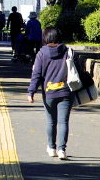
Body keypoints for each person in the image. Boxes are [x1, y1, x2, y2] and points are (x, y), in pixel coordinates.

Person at [29, 26, 80, 159]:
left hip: (49, 93)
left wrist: (31, 92)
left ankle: (51, 148)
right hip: (66, 92)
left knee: (51, 121)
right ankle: (62, 150)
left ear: (45, 38)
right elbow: (78, 70)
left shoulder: (41, 54)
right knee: (63, 122)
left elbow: (37, 74)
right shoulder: (68, 51)